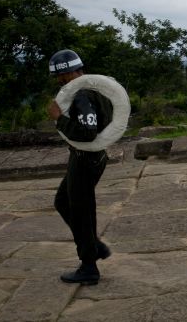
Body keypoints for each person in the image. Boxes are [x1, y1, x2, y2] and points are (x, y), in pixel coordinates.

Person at [47, 49, 113, 285]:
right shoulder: (96, 88)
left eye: (61, 76)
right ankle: (95, 247)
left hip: (86, 158)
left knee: (82, 212)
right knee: (63, 202)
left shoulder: (82, 95)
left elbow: (87, 132)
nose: (59, 81)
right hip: (89, 157)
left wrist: (58, 118)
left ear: (72, 72)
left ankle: (89, 266)